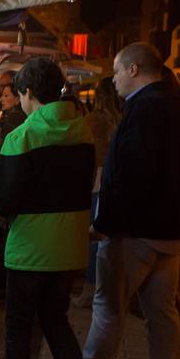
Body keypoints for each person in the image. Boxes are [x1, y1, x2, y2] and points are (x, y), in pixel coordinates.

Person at [39, 42, 180, 359]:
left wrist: (106, 223)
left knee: (109, 309)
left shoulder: (145, 110)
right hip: (173, 231)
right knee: (163, 315)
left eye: (116, 70)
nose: (113, 79)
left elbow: (131, 175)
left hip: (137, 230)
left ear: (133, 69)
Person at [0, 58, 101, 359]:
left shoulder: (23, 137)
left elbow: (3, 200)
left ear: (28, 92)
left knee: (18, 328)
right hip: (68, 246)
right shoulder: (83, 132)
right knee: (56, 322)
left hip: (29, 247)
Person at [73, 77, 122, 308]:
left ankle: (92, 290)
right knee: (110, 240)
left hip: (97, 182)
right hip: (118, 183)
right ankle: (108, 288)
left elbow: (88, 154)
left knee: (95, 238)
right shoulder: (123, 119)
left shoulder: (93, 120)